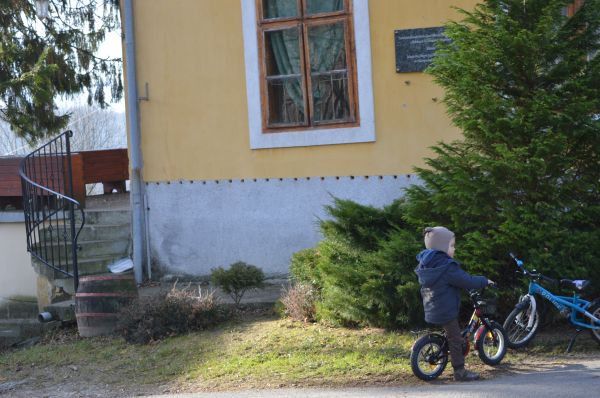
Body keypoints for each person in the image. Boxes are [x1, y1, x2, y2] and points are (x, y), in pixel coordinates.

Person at [414, 226, 494, 382]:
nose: (454, 249)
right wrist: (484, 280)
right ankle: (460, 371)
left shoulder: (427, 264)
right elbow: (467, 280)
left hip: (432, 307)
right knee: (455, 339)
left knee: (450, 334)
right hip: (446, 310)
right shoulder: (447, 267)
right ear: (442, 248)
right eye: (451, 246)